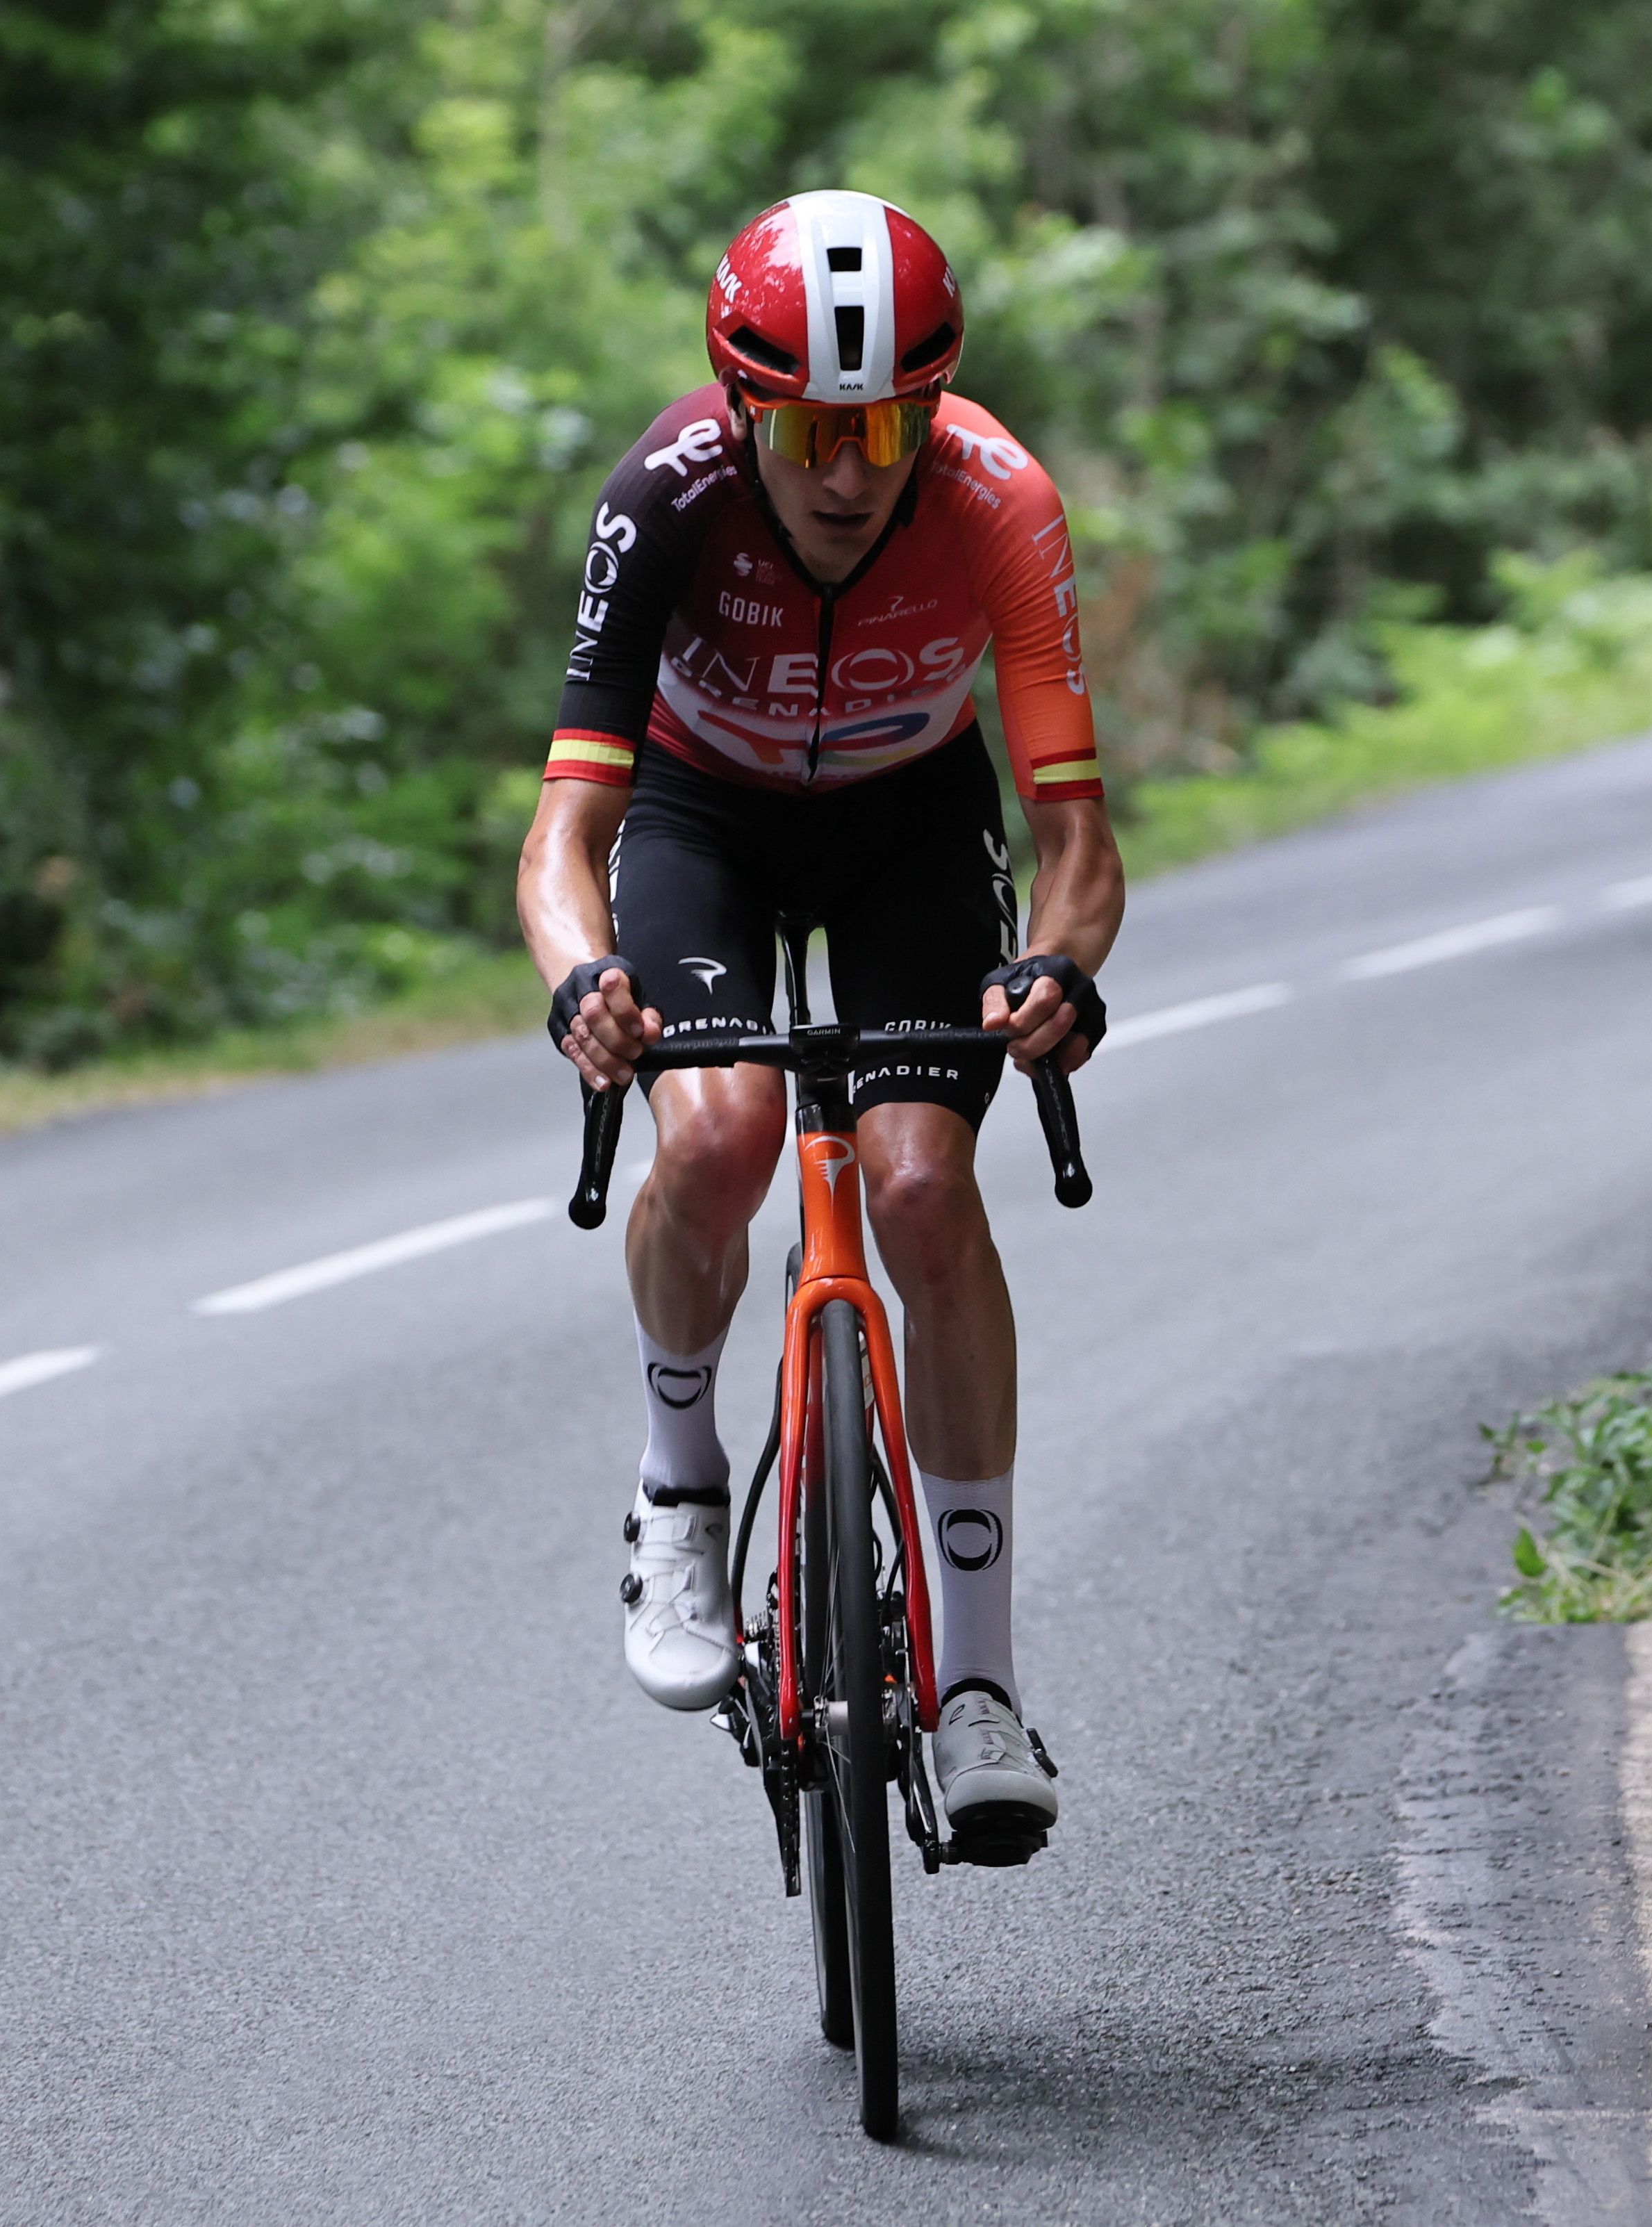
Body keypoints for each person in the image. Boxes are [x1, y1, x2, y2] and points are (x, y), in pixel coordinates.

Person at [515, 190, 1125, 1845]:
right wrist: (584, 977)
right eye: (805, 425)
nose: (847, 471)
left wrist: (1058, 968)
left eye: (883, 425)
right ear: (739, 405)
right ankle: (679, 1485)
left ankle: (982, 1687)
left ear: (931, 409)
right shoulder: (666, 494)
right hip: (702, 818)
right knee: (715, 1136)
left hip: (909, 825)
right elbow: (562, 835)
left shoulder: (1001, 501)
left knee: (925, 1187)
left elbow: (1073, 837)